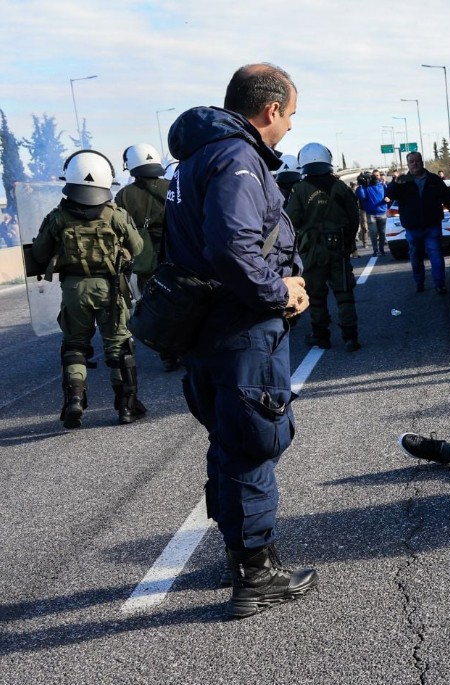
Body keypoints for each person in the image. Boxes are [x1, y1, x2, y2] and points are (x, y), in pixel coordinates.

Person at [164, 63, 317, 619]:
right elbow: (233, 248)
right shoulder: (237, 159)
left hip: (207, 329)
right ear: (271, 109)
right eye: (292, 115)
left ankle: (239, 551)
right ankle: (256, 573)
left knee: (229, 441)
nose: (292, 127)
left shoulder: (195, 159)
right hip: (240, 331)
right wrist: (281, 292)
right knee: (253, 440)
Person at [30, 149, 147, 428]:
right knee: (119, 346)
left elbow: (38, 253)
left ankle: (75, 401)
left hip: (73, 289)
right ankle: (126, 407)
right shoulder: (116, 214)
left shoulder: (57, 217)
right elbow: (139, 248)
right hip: (110, 289)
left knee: (74, 346)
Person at [286, 142, 362, 351]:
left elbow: (291, 219)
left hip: (312, 253)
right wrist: (347, 244)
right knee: (344, 294)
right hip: (338, 248)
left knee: (316, 297)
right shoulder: (340, 187)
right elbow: (353, 217)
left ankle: (321, 336)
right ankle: (350, 337)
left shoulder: (299, 189)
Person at [115, 143, 180, 372]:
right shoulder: (173, 186)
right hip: (177, 254)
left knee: (155, 305)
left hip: (147, 260)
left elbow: (119, 231)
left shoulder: (124, 195)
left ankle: (167, 354)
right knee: (185, 301)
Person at [386, 151, 450, 294]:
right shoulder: (403, 181)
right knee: (415, 256)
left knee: (436, 255)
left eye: (417, 161)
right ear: (408, 164)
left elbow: (447, 198)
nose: (415, 164)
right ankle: (419, 282)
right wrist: (394, 182)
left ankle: (440, 284)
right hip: (412, 227)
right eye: (411, 162)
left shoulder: (434, 180)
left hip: (432, 225)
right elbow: (389, 195)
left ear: (422, 162)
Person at [356, 169, 388, 256]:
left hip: (382, 212)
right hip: (371, 214)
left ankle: (381, 249)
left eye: (374, 176)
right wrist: (361, 185)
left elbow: (389, 193)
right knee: (373, 233)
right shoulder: (365, 187)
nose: (373, 178)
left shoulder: (382, 185)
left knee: (382, 233)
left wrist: (388, 198)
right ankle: (375, 250)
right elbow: (362, 197)